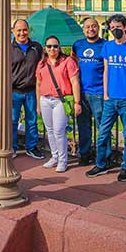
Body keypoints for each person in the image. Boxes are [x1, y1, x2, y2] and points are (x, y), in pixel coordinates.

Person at [86, 14, 126, 182]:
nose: (114, 30)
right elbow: (106, 71)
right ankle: (101, 164)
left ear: (125, 27)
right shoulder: (108, 47)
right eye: (111, 28)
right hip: (110, 99)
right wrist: (105, 94)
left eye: (118, 27)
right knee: (103, 133)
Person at [36, 36, 81, 173]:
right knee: (49, 130)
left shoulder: (67, 62)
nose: (52, 49)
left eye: (55, 46)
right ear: (45, 48)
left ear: (59, 47)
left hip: (60, 100)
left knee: (59, 131)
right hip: (45, 99)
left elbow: (75, 82)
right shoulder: (42, 64)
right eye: (49, 46)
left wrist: (77, 102)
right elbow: (38, 84)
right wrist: (38, 103)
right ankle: (54, 156)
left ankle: (63, 159)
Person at [72, 18, 107, 166]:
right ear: (83, 29)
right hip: (81, 93)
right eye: (87, 27)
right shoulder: (78, 45)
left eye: (93, 26)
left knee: (102, 127)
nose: (90, 29)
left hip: (98, 92)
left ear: (98, 28)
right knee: (83, 127)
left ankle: (104, 157)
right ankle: (84, 154)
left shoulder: (105, 45)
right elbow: (73, 64)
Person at [11, 19, 44, 159]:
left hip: (31, 90)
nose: (22, 33)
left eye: (24, 29)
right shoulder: (8, 48)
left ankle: (31, 147)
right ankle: (11, 147)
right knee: (12, 121)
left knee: (32, 120)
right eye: (18, 30)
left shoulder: (36, 47)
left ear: (28, 30)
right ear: (13, 31)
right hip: (14, 91)